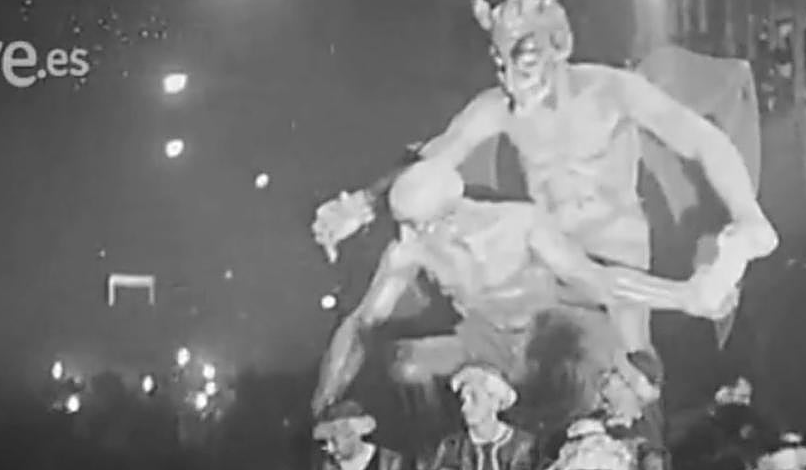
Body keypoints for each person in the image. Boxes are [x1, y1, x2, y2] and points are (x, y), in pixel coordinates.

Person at [311, 0, 776, 361]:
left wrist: (747, 215)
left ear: (558, 46)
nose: (514, 77)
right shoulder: (496, 108)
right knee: (550, 368)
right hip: (550, 258)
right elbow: (430, 163)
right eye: (502, 61)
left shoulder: (610, 89)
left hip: (619, 250)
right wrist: (363, 205)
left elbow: (701, 140)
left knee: (632, 361)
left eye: (526, 57)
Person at [311, 158, 745, 416]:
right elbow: (363, 323)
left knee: (606, 381)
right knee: (406, 365)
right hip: (485, 341)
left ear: (450, 215)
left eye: (415, 228)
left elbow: (597, 281)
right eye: (402, 228)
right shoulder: (410, 252)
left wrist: (683, 297)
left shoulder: (520, 224)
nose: (406, 240)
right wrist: (322, 402)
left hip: (554, 333)